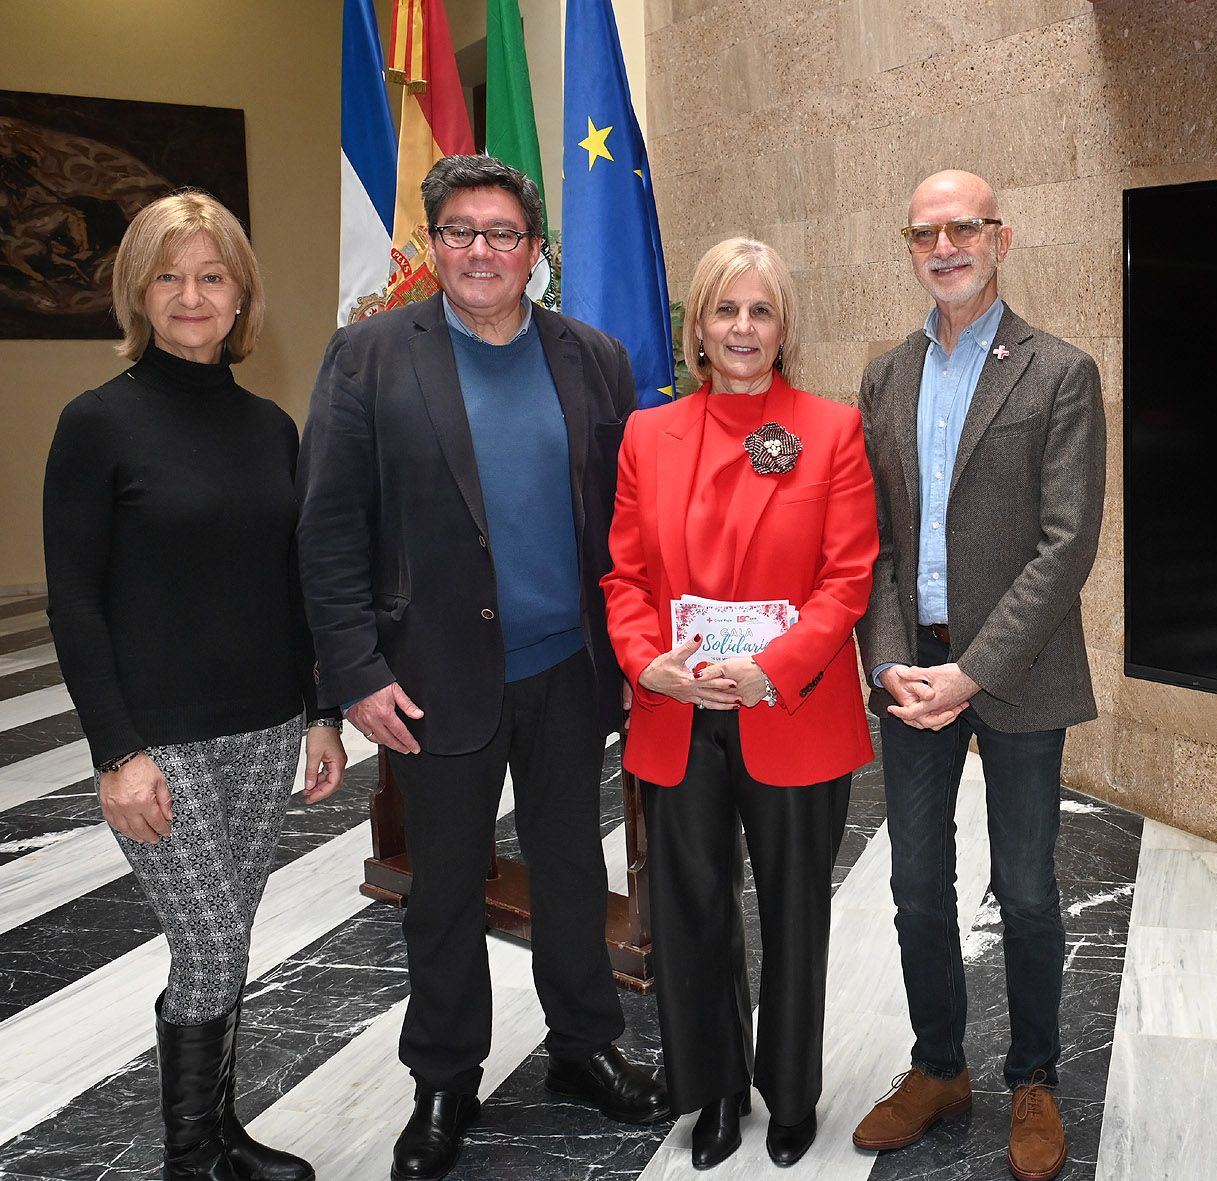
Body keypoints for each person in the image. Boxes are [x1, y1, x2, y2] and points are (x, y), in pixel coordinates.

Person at [296, 155, 666, 1181]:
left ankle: (584, 1046)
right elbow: (328, 530)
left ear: (534, 250)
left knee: (570, 867)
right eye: (459, 230)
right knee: (447, 884)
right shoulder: (368, 356)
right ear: (433, 245)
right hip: (429, 677)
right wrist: (356, 674)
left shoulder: (594, 357)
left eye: (502, 233)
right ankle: (444, 1077)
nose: (481, 251)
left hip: (566, 672)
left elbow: (625, 524)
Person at [43, 190, 348, 1181]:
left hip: (263, 728)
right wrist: (116, 754)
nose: (190, 294)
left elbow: (293, 584)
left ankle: (215, 1135)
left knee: (222, 941)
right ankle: (189, 1151)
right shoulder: (96, 423)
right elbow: (75, 605)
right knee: (212, 940)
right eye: (169, 275)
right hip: (160, 742)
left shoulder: (270, 427)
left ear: (239, 294)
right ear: (139, 289)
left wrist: (322, 713)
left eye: (211, 275)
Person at [850, 170, 1106, 1181]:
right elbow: (866, 540)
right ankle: (939, 1065)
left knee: (1031, 887)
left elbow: (1066, 542)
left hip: (1016, 670)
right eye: (926, 231)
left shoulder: (1059, 371)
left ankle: (1033, 1075)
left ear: (999, 237)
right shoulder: (883, 376)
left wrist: (971, 672)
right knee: (915, 884)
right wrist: (887, 663)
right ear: (908, 245)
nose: (945, 244)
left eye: (964, 227)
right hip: (910, 671)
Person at [601, 237, 877, 1170]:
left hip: (789, 707)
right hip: (679, 710)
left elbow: (848, 579)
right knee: (690, 910)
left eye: (760, 311)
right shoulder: (649, 435)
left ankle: (790, 1093)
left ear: (783, 325)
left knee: (796, 907)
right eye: (726, 311)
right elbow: (624, 576)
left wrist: (775, 666)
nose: (743, 328)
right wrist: (650, 664)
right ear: (699, 329)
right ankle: (713, 1089)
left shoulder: (833, 430)